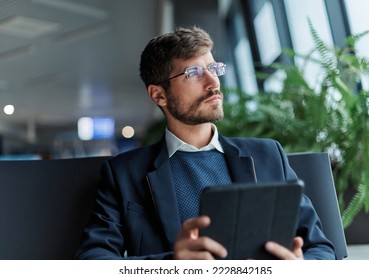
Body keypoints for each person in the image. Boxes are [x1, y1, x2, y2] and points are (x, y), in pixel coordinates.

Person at [74, 26, 335, 260]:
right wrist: (172, 266)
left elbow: (321, 248)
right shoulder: (124, 173)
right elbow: (94, 259)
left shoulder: (268, 155)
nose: (213, 84)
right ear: (159, 95)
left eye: (213, 69)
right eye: (194, 73)